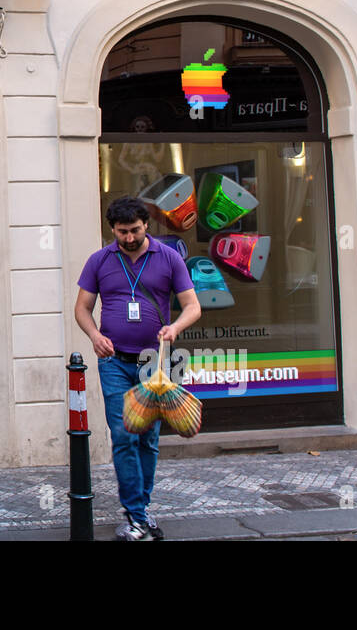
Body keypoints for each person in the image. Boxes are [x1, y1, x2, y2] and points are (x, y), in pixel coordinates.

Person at [74, 196, 201, 541]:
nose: (128, 238)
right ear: (112, 229)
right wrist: (94, 335)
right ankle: (136, 515)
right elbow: (83, 308)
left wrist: (175, 328)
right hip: (114, 362)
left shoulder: (169, 257)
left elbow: (193, 306)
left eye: (134, 230)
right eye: (121, 231)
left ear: (146, 225)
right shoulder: (99, 260)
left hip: (155, 363)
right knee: (124, 436)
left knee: (149, 440)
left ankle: (140, 511)